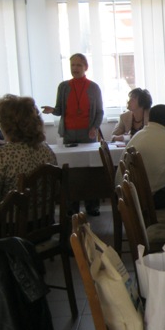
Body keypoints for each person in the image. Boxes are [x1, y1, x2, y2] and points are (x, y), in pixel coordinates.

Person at [41, 53, 104, 216]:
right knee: (69, 171)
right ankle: (71, 205)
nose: (75, 68)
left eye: (78, 65)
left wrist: (94, 127)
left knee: (89, 170)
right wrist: (52, 110)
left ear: (85, 67)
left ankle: (92, 205)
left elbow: (99, 111)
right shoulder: (64, 86)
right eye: (72, 65)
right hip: (68, 134)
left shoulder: (93, 87)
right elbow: (59, 110)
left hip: (87, 134)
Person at [0, 95, 57, 207]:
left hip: (12, 216)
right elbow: (55, 188)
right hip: (45, 214)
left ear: (7, 124)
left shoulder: (1, 155)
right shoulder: (46, 149)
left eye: (0, 120)